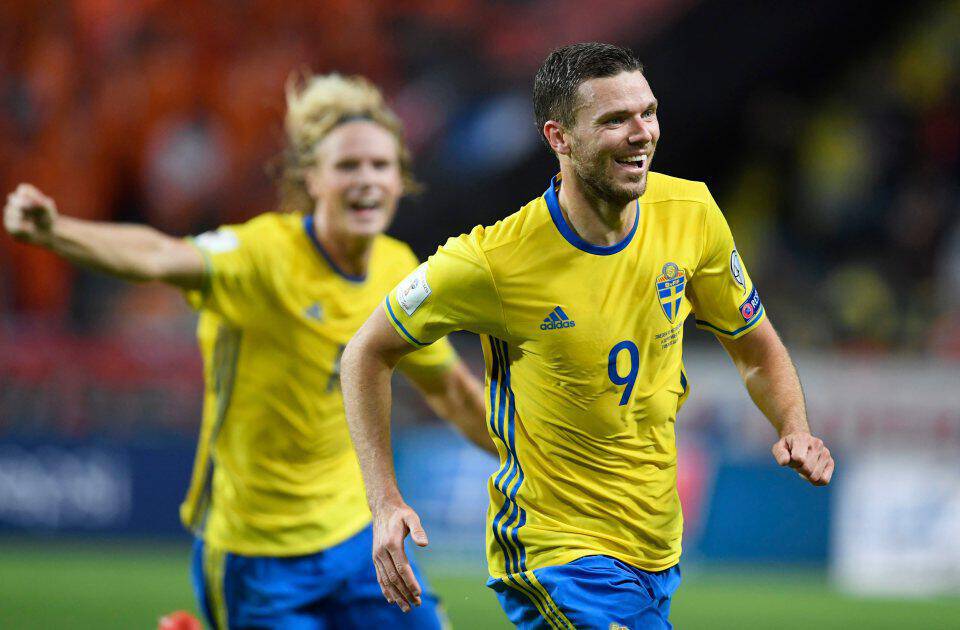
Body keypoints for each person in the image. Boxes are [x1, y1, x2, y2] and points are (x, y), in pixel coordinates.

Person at [340, 43, 835, 629]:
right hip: (556, 554)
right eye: (614, 120)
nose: (641, 133)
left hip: (655, 546)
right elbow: (366, 351)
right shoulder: (493, 261)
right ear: (559, 137)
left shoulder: (692, 212)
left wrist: (794, 427)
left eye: (647, 113)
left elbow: (755, 347)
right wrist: (385, 502)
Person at [4, 72, 493, 629]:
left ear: (401, 179)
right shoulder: (260, 253)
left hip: (358, 538)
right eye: (347, 166)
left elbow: (451, 390)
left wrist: (533, 463)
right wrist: (56, 232)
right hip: (256, 555)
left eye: (380, 166)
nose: (366, 181)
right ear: (312, 178)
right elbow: (160, 256)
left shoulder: (397, 266)